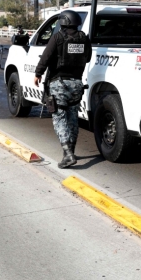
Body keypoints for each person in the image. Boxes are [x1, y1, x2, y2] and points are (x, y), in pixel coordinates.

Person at [34, 10, 92, 168]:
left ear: (63, 22)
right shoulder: (84, 38)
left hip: (59, 84)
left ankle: (68, 154)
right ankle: (71, 151)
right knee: (73, 118)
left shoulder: (58, 37)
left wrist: (38, 74)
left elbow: (46, 56)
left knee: (59, 118)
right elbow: (87, 58)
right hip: (77, 84)